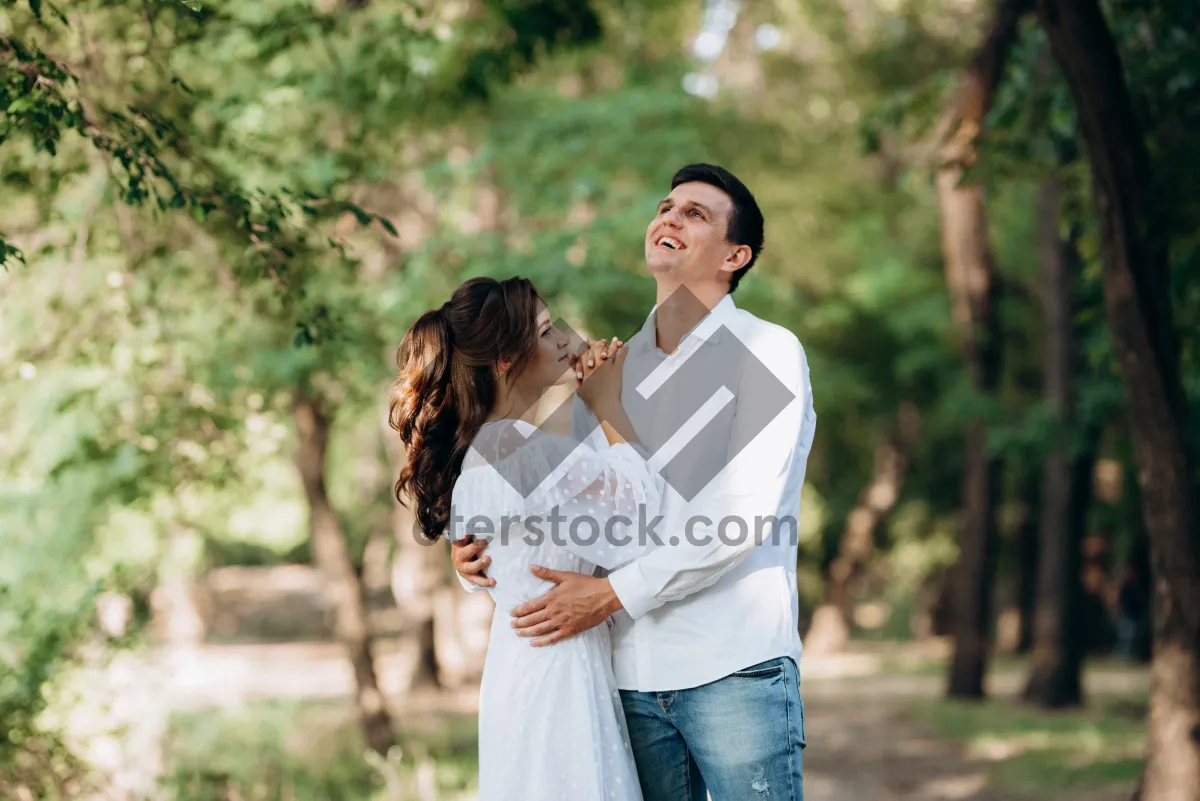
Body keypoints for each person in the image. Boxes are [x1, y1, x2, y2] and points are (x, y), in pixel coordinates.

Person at [454, 164, 816, 801]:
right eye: (666, 206)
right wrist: (472, 555)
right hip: (625, 680)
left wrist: (609, 595)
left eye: (695, 214)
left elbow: (741, 518)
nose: (670, 217)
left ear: (736, 255)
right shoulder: (607, 370)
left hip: (732, 666)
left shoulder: (768, 351)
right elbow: (544, 504)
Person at [389, 276, 665, 801]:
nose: (565, 337)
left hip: (519, 669)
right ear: (503, 359)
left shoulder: (485, 446)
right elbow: (643, 524)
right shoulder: (521, 448)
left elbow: (502, 556)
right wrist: (610, 405)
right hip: (558, 675)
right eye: (544, 331)